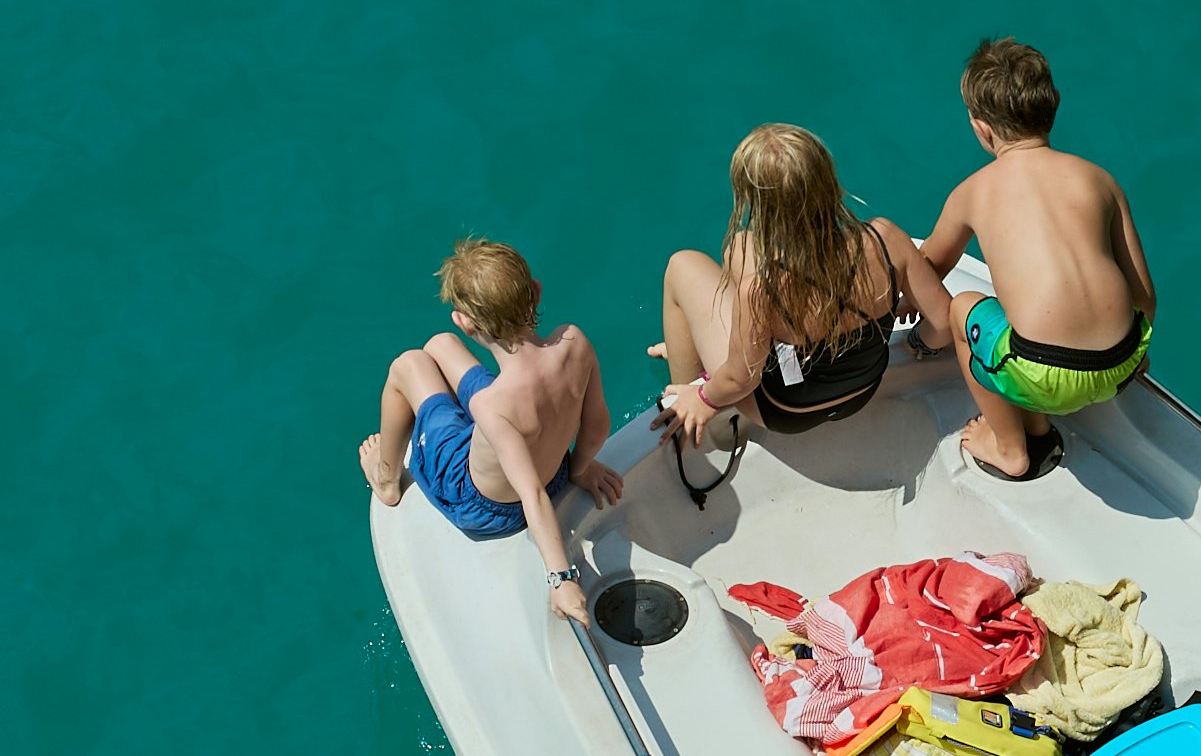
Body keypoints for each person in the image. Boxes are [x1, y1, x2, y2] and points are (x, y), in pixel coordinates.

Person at [917, 37, 1156, 482]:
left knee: (964, 309)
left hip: (1042, 379)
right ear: (1055, 104)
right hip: (1124, 367)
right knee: (1032, 330)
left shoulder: (973, 191)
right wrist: (1134, 358)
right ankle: (1035, 416)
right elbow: (1145, 297)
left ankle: (1008, 447)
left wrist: (920, 332)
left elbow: (928, 266)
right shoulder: (1099, 180)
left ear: (981, 129)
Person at [360, 238, 622, 627]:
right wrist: (580, 470)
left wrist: (561, 578)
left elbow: (530, 494)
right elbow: (598, 423)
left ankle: (385, 479)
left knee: (410, 364)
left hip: (484, 504)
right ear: (535, 292)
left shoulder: (491, 405)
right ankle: (439, 393)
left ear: (464, 322)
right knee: (439, 346)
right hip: (556, 474)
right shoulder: (575, 342)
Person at [657, 124, 956, 446]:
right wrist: (918, 343)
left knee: (682, 265)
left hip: (785, 411)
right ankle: (707, 342)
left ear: (756, 203)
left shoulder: (760, 292)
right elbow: (943, 322)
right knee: (740, 247)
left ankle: (685, 398)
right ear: (828, 179)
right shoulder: (885, 239)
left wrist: (705, 398)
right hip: (862, 390)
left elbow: (739, 380)